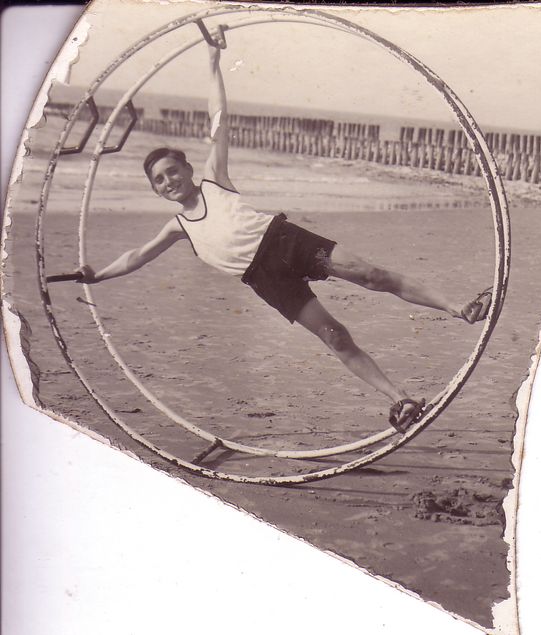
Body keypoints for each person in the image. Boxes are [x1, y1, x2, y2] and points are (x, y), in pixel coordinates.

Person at [79, 35, 491, 432]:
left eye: (172, 171)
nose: (169, 181)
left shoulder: (215, 180)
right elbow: (137, 256)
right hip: (265, 278)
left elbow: (219, 119)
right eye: (159, 180)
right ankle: (400, 399)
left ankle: (459, 308)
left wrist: (213, 61)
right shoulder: (177, 227)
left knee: (372, 276)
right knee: (335, 337)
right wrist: (97, 275)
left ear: (187, 170)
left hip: (285, 241)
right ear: (156, 190)